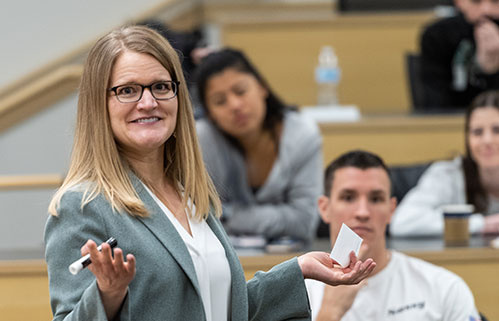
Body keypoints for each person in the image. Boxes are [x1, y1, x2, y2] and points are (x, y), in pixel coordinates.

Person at [44, 25, 376, 321]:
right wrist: (108, 295)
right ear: (98, 105)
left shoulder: (188, 192)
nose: (148, 102)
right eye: (128, 90)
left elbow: (222, 308)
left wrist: (298, 269)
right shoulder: (80, 205)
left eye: (161, 86)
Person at [305, 150, 480, 321]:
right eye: (349, 197)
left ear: (391, 209)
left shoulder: (444, 289)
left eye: (375, 199)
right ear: (324, 208)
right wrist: (329, 313)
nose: (363, 212)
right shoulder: (300, 293)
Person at [194, 48, 323, 245]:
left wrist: (228, 215)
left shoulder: (302, 135)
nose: (235, 105)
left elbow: (304, 221)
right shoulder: (203, 138)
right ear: (210, 114)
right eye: (220, 101)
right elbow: (199, 217)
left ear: (262, 87)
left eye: (241, 91)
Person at [391, 90, 499, 236]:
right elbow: (402, 222)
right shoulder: (447, 175)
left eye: (497, 130)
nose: (487, 141)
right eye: (477, 132)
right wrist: (482, 224)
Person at [420, 0, 499, 110]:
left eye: (495, 1)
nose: (486, 9)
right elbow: (435, 104)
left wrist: (492, 72)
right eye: (476, 1)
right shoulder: (439, 36)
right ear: (459, 2)